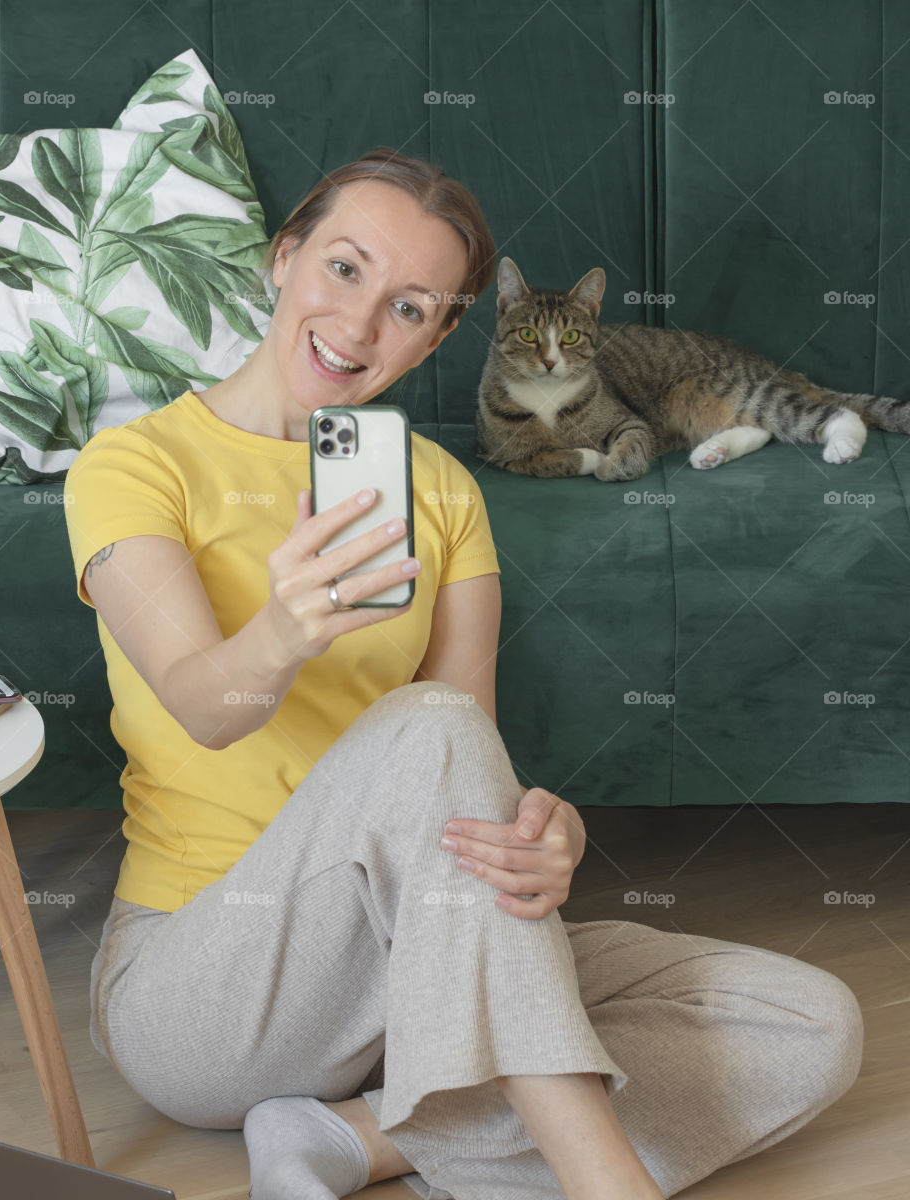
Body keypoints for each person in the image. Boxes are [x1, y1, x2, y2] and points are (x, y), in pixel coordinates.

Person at [63, 147, 864, 1200]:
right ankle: (601, 1182)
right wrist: (285, 627)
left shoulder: (438, 489)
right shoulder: (132, 467)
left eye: (410, 306)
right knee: (427, 724)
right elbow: (209, 710)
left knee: (811, 1024)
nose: (358, 326)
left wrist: (544, 826)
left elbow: (464, 753)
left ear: (445, 333)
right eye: (343, 270)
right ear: (283, 258)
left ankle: (356, 1138)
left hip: (409, 974)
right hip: (211, 991)